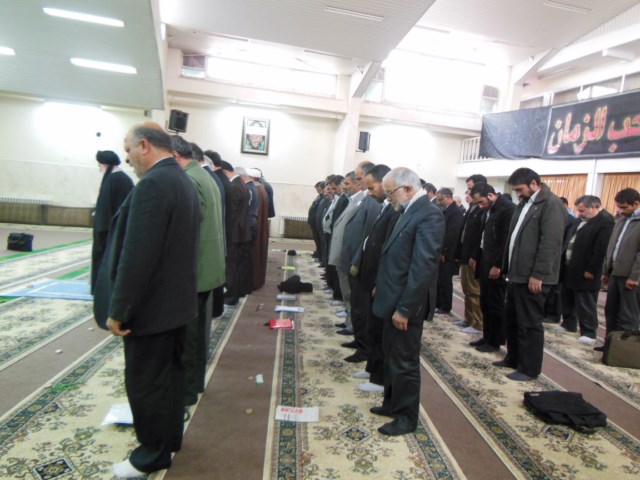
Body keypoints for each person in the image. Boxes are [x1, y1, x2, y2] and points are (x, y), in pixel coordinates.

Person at [95, 123, 200, 478]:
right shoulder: (180, 179)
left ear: (144, 146)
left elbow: (137, 256)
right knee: (168, 380)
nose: (127, 159)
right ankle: (168, 440)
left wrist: (119, 310)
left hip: (152, 308)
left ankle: (151, 454)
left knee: (146, 384)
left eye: (128, 150)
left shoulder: (155, 184)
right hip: (175, 304)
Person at [371, 167, 444, 436]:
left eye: (390, 192)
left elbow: (423, 267)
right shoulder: (406, 210)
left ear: (408, 188)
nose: (388, 197)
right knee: (392, 356)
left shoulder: (429, 214)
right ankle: (391, 403)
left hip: (406, 304)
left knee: (404, 362)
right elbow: (394, 254)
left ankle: (405, 418)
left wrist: (405, 309)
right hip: (392, 296)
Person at [495, 168, 565, 381]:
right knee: (512, 319)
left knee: (529, 324)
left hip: (533, 277)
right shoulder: (525, 203)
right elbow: (514, 238)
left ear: (534, 184)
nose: (517, 194)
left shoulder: (551, 204)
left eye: (520, 189)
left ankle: (529, 368)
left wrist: (539, 274)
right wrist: (505, 267)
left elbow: (550, 243)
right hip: (517, 273)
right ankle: (513, 358)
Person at [171, 135, 225, 407]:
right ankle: (195, 383)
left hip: (196, 268)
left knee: (189, 336)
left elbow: (186, 229)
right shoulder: (205, 176)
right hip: (208, 267)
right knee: (200, 332)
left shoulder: (190, 180)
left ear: (175, 156)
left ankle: (187, 391)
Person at [352, 164, 396, 392]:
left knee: (379, 332)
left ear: (383, 183)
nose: (369, 193)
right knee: (372, 329)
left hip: (380, 282)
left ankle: (379, 379)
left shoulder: (394, 211)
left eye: (371, 188)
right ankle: (371, 369)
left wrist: (379, 281)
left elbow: (388, 252)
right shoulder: (384, 207)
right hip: (370, 279)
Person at [556, 195, 614, 344]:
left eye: (582, 210)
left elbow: (601, 249)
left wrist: (592, 269)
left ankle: (589, 332)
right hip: (570, 265)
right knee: (567, 296)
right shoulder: (580, 220)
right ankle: (568, 323)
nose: (579, 213)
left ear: (593, 207)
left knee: (585, 301)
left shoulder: (605, 222)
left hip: (587, 269)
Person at [469, 183, 515, 353]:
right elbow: (482, 236)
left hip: (496, 264)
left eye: (481, 202)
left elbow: (505, 242)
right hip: (485, 260)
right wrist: (476, 255)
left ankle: (495, 340)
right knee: (485, 301)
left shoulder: (507, 209)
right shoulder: (488, 209)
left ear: (490, 195)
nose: (480, 206)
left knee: (495, 303)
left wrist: (498, 265)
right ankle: (487, 336)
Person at [600, 188, 640, 348]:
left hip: (630, 277)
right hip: (615, 274)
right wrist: (606, 271)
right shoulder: (621, 220)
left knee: (627, 315)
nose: (620, 210)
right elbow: (612, 247)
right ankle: (610, 346)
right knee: (611, 311)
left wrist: (635, 276)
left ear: (636, 204)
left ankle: (625, 350)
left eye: (624, 207)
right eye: (619, 207)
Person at [91, 150, 133, 294]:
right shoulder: (123, 178)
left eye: (100, 165)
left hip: (108, 230)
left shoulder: (113, 179)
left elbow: (105, 209)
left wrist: (101, 230)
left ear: (105, 164)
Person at [454, 174, 486, 334]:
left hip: (474, 256)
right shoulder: (472, 207)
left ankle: (478, 323)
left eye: (470, 188)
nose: (468, 191)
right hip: (465, 254)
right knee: (466, 290)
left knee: (474, 291)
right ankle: (468, 318)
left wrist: (475, 255)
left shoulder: (482, 208)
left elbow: (479, 236)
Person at [221, 161, 252, 305]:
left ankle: (231, 296)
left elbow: (231, 214)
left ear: (225, 172)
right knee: (237, 265)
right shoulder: (241, 184)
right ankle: (237, 292)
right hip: (241, 231)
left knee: (232, 266)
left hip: (234, 233)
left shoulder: (234, 186)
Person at [435, 187, 464, 315]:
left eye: (440, 199)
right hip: (442, 250)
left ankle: (446, 305)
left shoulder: (455, 212)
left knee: (445, 280)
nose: (439, 202)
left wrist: (444, 252)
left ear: (447, 197)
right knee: (440, 279)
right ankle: (439, 302)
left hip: (448, 253)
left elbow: (452, 234)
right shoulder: (447, 210)